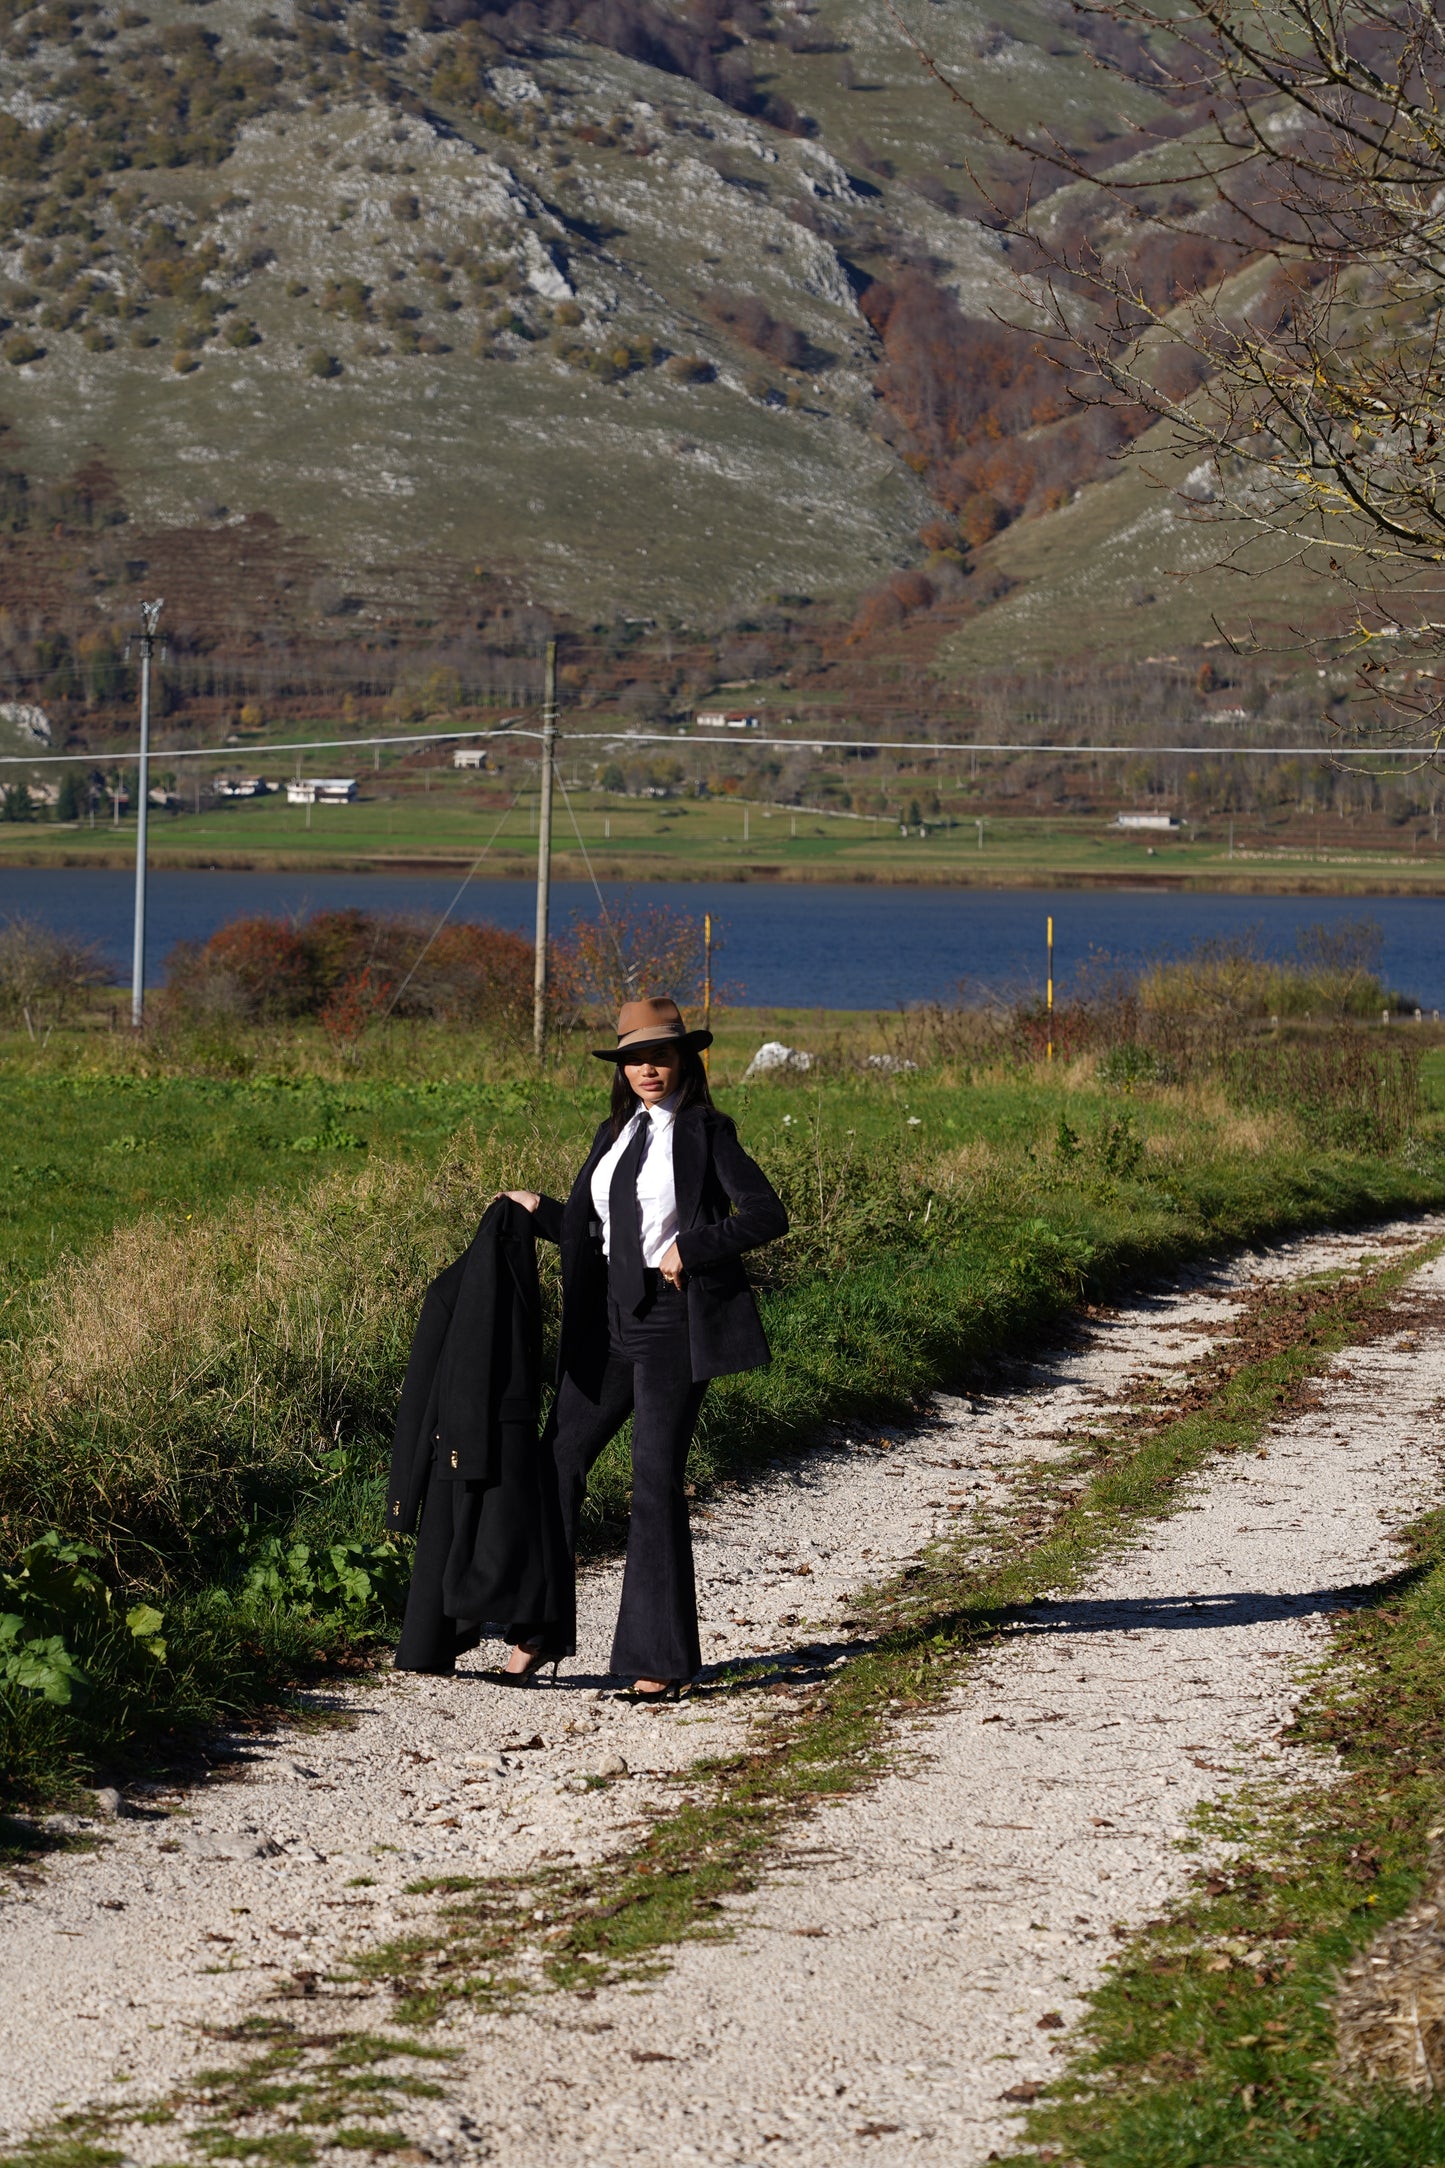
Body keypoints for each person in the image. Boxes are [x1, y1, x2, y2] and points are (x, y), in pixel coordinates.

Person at [501, 995, 788, 1701]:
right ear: (620, 1067)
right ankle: (536, 1632)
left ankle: (658, 1655)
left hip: (669, 1324)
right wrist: (541, 1213)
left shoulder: (705, 1133)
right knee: (556, 1462)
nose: (647, 1070)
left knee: (653, 1479)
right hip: (603, 1325)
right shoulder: (612, 1134)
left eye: (659, 1056)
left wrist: (692, 1247)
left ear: (684, 1059)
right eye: (634, 1059)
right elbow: (600, 1232)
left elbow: (765, 1215)